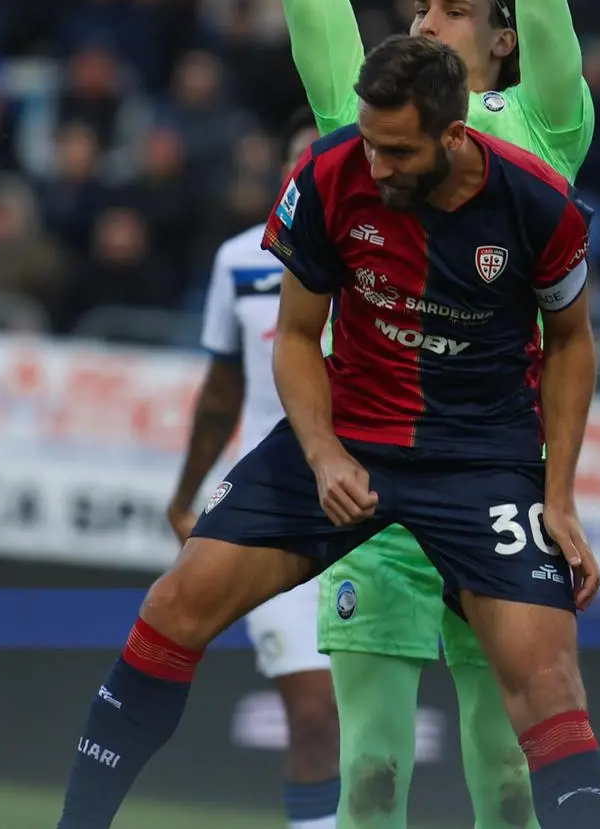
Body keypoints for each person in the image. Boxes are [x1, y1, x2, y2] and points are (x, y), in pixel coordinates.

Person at [58, 35, 600, 829]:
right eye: (368, 139)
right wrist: (320, 455)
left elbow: (569, 344)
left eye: (396, 149)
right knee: (173, 604)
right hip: (348, 432)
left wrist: (558, 496)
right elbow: (293, 336)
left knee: (549, 688)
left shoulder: (537, 204)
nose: (376, 164)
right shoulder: (327, 172)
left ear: (452, 136)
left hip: (482, 461)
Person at [279, 0, 593, 829]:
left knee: (507, 781)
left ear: (500, 42)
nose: (429, 19)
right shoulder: (365, 126)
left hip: (500, 480)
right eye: (419, 5)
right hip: (376, 479)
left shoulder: (542, 131)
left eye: (455, 10)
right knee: (369, 776)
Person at [167, 112, 341, 829]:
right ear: (286, 173)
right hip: (278, 508)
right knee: (313, 711)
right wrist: (185, 494)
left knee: (369, 719)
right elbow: (222, 390)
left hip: (381, 508)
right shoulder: (240, 260)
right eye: (305, 159)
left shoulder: (387, 258)